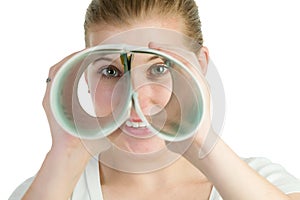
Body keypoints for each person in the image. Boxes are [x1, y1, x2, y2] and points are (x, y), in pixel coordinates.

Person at [9, 0, 300, 199]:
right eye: (110, 71)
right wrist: (69, 151)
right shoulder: (49, 189)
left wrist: (200, 144)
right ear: (84, 77)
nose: (137, 98)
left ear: (199, 67)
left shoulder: (262, 184)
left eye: (160, 68)